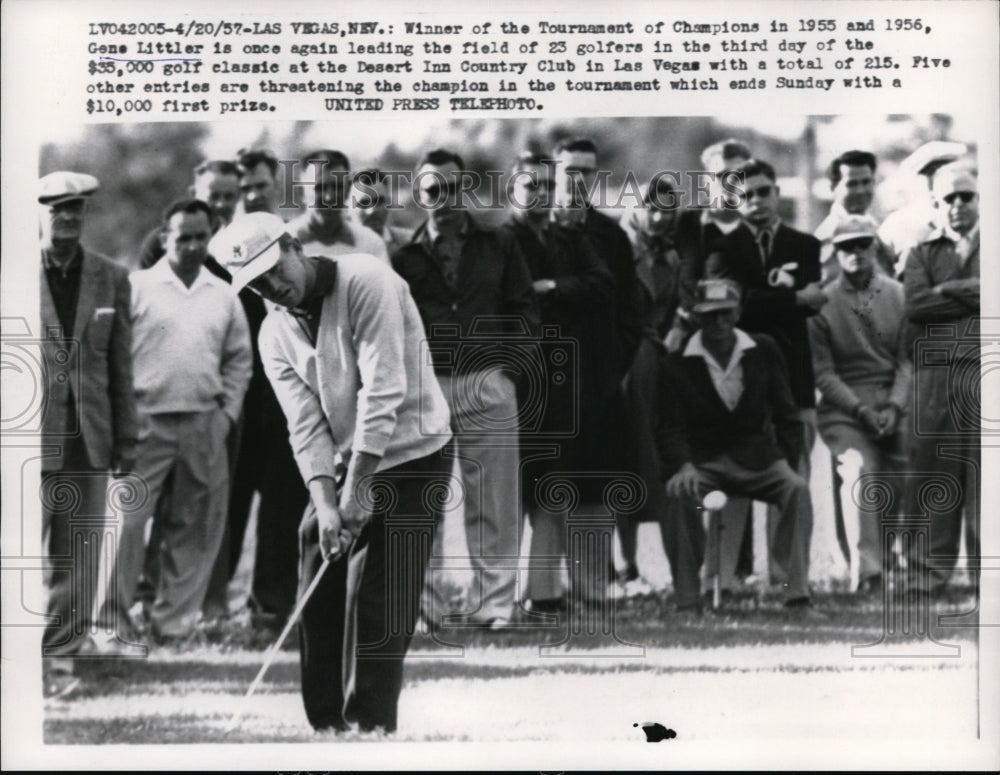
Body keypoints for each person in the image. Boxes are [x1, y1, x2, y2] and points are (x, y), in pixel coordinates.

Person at [211, 211, 453, 734]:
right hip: (352, 458)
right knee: (316, 549)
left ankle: (370, 722)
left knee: (381, 591)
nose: (271, 289)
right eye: (254, 284)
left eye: (273, 270)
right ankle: (326, 722)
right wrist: (326, 506)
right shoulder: (273, 331)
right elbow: (305, 425)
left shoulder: (367, 279)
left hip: (415, 452)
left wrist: (360, 488)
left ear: (294, 246)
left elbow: (383, 389)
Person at [393, 148, 539, 629]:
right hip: (425, 386)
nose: (445, 199)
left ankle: (495, 606)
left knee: (493, 500)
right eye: (434, 189)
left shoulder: (498, 243)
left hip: (487, 382)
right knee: (423, 499)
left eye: (453, 188)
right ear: (420, 194)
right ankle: (428, 608)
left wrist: (508, 372)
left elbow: (524, 311)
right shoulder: (405, 257)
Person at [98, 199, 252, 643]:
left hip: (204, 422)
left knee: (194, 528)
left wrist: (226, 416)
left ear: (211, 237)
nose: (191, 246)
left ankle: (173, 627)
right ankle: (111, 625)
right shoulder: (137, 286)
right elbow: (112, 358)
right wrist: (120, 421)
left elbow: (239, 361)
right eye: (182, 237)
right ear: (165, 237)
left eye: (200, 237)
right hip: (144, 423)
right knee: (125, 525)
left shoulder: (223, 294)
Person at [37, 171, 138, 696]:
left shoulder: (110, 278)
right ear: (37, 213)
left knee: (77, 559)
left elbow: (121, 366)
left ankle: (59, 666)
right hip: (26, 443)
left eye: (76, 208)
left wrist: (127, 439)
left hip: (89, 443)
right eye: (56, 208)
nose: (68, 217)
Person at [656, 280, 814, 613]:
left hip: (757, 458)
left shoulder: (764, 349)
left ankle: (795, 592)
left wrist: (787, 460)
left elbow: (787, 414)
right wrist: (683, 466)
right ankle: (688, 599)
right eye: (709, 316)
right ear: (696, 318)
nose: (718, 324)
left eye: (725, 314)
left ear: (738, 312)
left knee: (796, 489)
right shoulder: (676, 362)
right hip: (703, 462)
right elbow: (670, 427)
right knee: (679, 495)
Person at [705, 158, 825, 596]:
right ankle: (721, 580)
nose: (755, 201)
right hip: (740, 381)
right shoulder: (721, 249)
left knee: (792, 477)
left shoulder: (806, 245)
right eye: (746, 194)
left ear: (777, 193)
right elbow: (732, 306)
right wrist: (791, 297)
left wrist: (775, 300)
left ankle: (785, 577)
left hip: (793, 378)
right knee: (733, 477)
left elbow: (810, 302)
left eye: (763, 192)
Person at [501, 150, 615, 613]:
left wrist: (555, 289)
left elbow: (602, 285)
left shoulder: (567, 236)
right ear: (513, 188)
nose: (543, 194)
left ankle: (544, 592)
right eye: (533, 185)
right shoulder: (500, 239)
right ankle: (506, 596)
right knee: (510, 485)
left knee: (554, 478)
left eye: (549, 185)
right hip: (515, 372)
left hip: (563, 376)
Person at [550, 137, 645, 603]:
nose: (578, 180)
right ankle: (544, 588)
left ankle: (591, 585)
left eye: (587, 171)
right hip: (545, 381)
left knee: (595, 482)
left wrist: (615, 364)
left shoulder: (610, 236)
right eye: (570, 170)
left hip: (598, 379)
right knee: (546, 485)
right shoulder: (534, 230)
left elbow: (631, 310)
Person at [808, 216, 911, 595]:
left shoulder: (898, 295)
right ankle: (868, 574)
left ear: (874, 248)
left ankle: (905, 564)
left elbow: (907, 360)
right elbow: (823, 372)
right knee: (859, 472)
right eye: (846, 247)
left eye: (862, 244)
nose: (855, 253)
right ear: (835, 253)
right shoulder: (821, 302)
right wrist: (859, 410)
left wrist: (895, 406)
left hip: (893, 403)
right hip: (845, 410)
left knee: (908, 469)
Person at [902, 164, 980, 597]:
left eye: (965, 196)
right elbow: (915, 305)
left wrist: (947, 289)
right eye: (948, 199)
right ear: (936, 205)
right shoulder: (922, 252)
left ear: (978, 199)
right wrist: (972, 292)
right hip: (936, 373)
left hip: (987, 370)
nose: (957, 206)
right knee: (937, 470)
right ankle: (928, 571)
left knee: (988, 475)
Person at [616, 175, 684, 595]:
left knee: (656, 460)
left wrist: (676, 328)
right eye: (651, 208)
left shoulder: (671, 259)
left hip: (659, 368)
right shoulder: (617, 249)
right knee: (624, 459)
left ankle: (666, 567)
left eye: (667, 210)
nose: (658, 218)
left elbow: (675, 309)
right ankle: (624, 565)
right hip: (621, 368)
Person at [673, 138, 753, 339]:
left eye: (739, 177)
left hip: (750, 332)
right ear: (706, 181)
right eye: (722, 176)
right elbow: (684, 283)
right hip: (698, 329)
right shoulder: (688, 222)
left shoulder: (757, 225)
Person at [878, 141, 967, 274]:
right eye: (931, 175)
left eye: (947, 173)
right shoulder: (897, 224)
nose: (938, 181)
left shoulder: (972, 217)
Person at [287, 150, 389, 263]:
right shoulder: (284, 242)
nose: (329, 198)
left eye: (337, 187)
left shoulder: (371, 244)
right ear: (301, 192)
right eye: (320, 188)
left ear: (348, 190)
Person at [137, 160, 242, 269]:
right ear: (193, 193)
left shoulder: (241, 241)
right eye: (213, 196)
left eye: (229, 196)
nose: (221, 204)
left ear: (239, 196)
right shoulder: (160, 245)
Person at [814, 150, 895, 281]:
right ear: (833, 188)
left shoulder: (870, 223)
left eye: (866, 182)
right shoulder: (830, 234)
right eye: (852, 184)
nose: (861, 191)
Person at [352, 166, 414, 257]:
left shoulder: (411, 244)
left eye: (379, 201)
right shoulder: (337, 250)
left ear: (389, 202)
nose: (372, 211)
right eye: (364, 203)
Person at [237, 147, 283, 216]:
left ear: (276, 185)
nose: (253, 196)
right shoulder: (233, 227)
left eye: (261, 186)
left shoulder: (294, 226)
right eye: (246, 189)